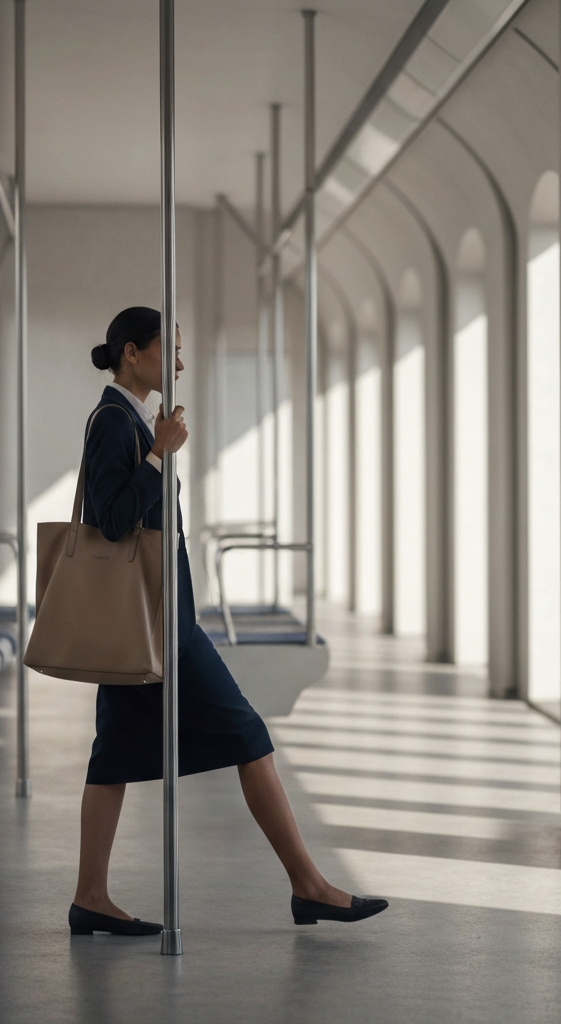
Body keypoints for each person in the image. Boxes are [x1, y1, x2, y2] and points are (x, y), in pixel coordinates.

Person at [68, 306, 387, 936]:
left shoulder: (133, 417)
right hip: (157, 621)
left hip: (150, 617)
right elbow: (110, 519)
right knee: (246, 732)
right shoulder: (115, 422)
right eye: (171, 351)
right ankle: (310, 886)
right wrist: (160, 455)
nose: (181, 365)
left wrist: (158, 448)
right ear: (133, 353)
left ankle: (90, 897)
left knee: (113, 757)